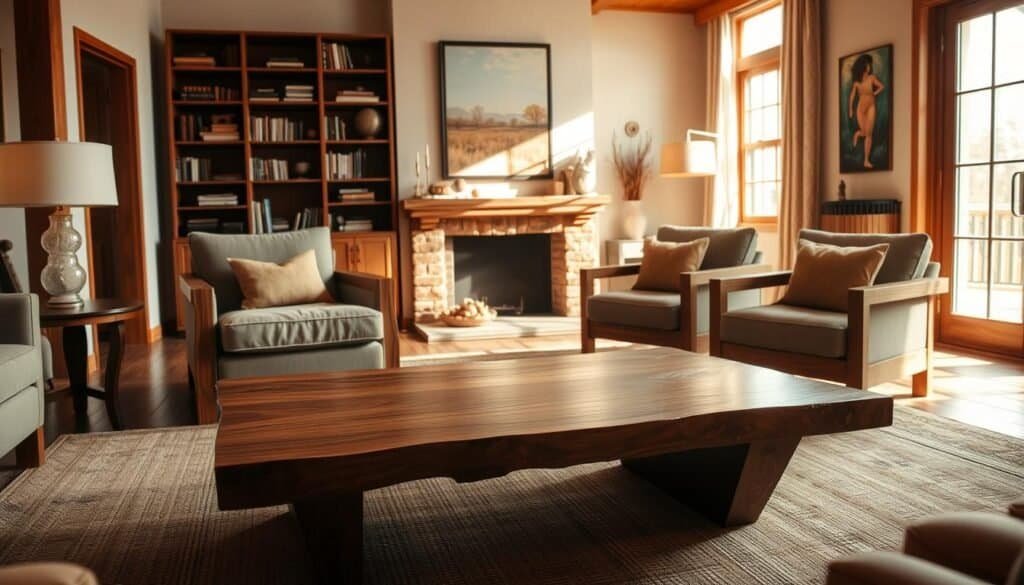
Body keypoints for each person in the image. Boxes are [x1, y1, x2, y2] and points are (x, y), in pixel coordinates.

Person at [848, 53, 885, 169]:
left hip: (871, 107)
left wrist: (874, 93)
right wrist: (850, 109)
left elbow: (881, 87)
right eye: (868, 65)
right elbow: (852, 97)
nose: (870, 67)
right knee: (864, 132)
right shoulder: (857, 83)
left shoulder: (872, 78)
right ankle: (857, 134)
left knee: (869, 134)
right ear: (863, 67)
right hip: (860, 109)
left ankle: (866, 160)